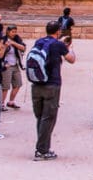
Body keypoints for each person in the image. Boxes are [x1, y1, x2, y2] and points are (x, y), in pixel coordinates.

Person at [32, 21, 76, 161]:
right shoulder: (59, 45)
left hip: (37, 84)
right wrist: (70, 47)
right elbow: (71, 59)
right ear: (58, 31)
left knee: (41, 118)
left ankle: (41, 147)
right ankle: (42, 151)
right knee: (49, 118)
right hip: (51, 84)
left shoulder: (39, 42)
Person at [1, 25, 25, 109]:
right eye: (12, 32)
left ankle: (11, 101)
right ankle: (1, 103)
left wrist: (14, 43)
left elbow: (23, 48)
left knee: (18, 83)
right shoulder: (3, 40)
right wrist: (6, 46)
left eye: (15, 32)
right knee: (5, 86)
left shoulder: (17, 39)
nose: (14, 33)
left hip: (16, 64)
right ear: (8, 32)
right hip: (7, 65)